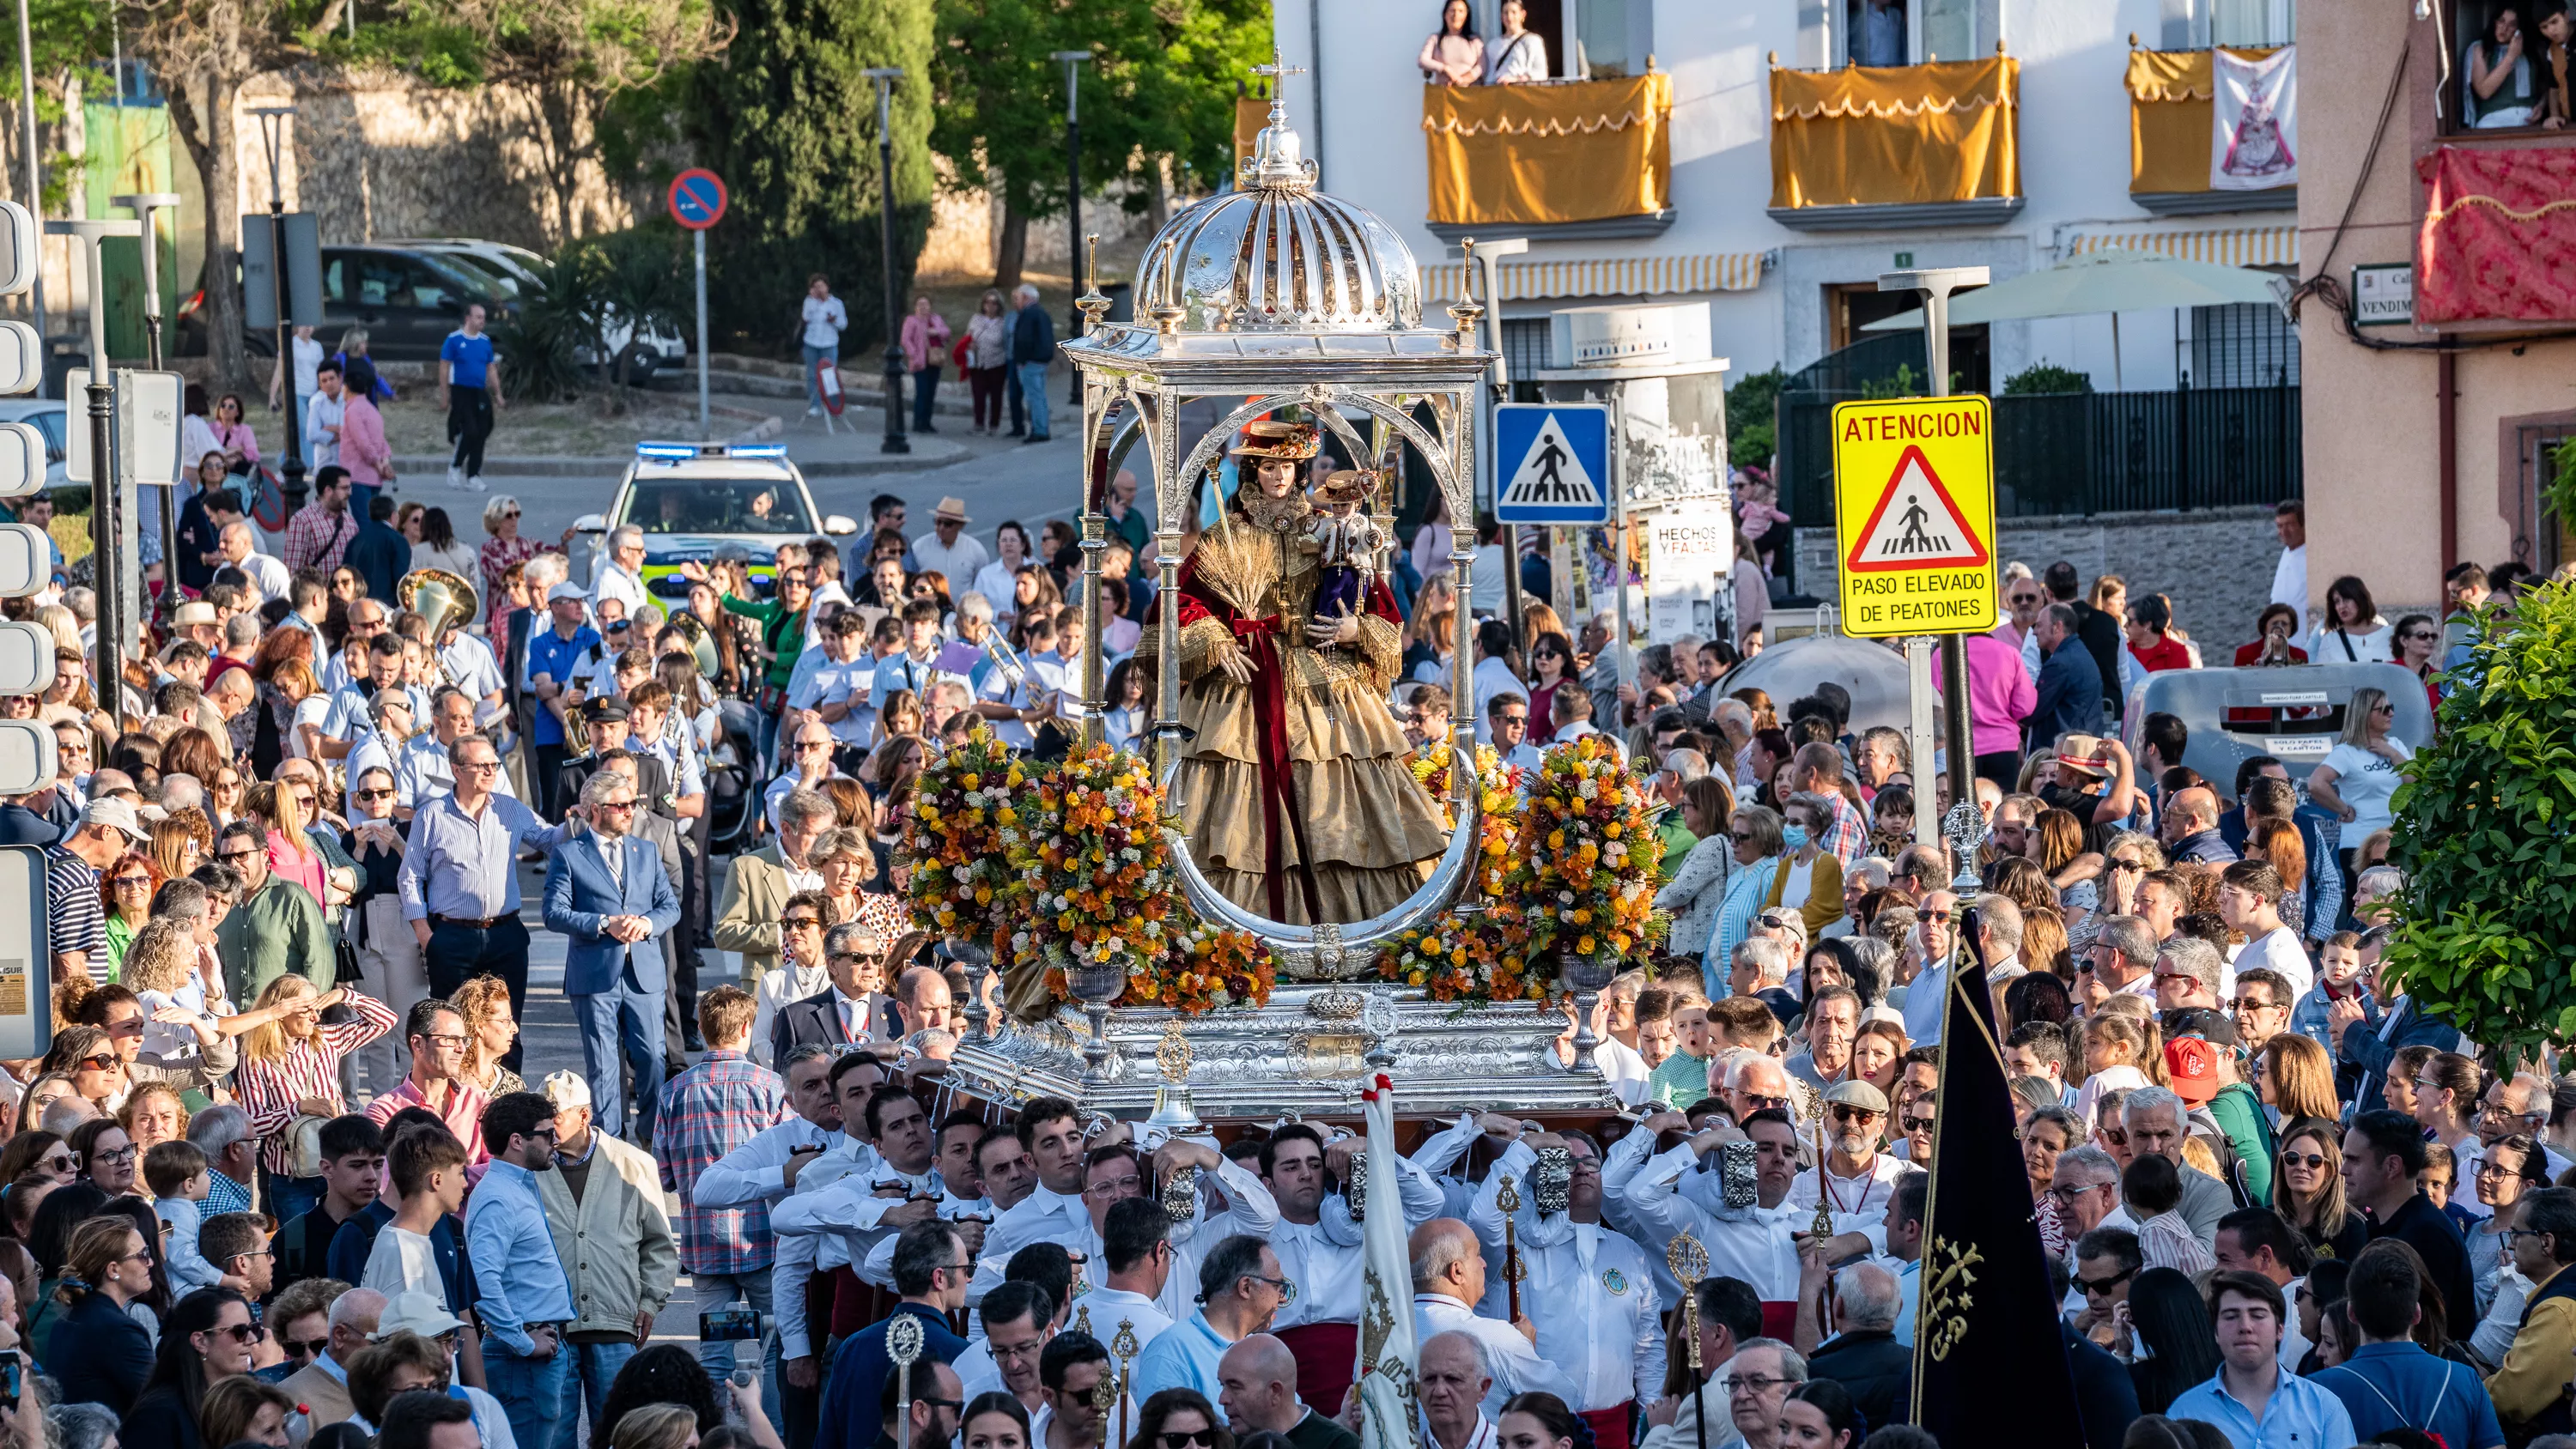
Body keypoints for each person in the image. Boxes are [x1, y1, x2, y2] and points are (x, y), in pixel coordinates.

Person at [1151, 420, 1447, 925]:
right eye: (1268, 466)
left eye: (1287, 466)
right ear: (1253, 469)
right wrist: (1217, 638)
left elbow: (1382, 612)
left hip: (1322, 680)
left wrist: (1355, 631)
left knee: (1339, 797)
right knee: (1231, 807)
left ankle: (1348, 930)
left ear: (1301, 469)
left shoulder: (1329, 527)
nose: (1279, 476)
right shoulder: (1227, 531)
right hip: (1243, 681)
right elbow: (1178, 603)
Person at [399, 732, 571, 1056]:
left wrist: (578, 822)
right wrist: (426, 936)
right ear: (456, 770)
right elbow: (410, 877)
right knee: (453, 1035)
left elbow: (549, 840)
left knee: (505, 1033)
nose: (491, 771)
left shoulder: (509, 809)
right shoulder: (432, 815)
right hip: (452, 938)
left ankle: (508, 1105)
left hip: (505, 935)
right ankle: (459, 1104)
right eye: (481, 766)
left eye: (494, 764)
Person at [532, 1071, 678, 1426]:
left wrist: (649, 1301)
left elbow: (659, 1245)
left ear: (584, 1116)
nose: (548, 1126)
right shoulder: (531, 1167)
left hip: (615, 1323)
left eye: (557, 1116)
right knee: (553, 1435)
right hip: (550, 1330)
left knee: (619, 1433)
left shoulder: (633, 1164)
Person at [542, 770, 679, 1143]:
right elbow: (553, 913)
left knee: (652, 1057)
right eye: (621, 806)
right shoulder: (569, 854)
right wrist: (604, 923)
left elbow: (670, 905)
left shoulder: (646, 851)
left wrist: (648, 924)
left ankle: (652, 1137)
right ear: (594, 810)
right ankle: (611, 1143)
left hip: (644, 973)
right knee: (604, 1065)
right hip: (595, 973)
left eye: (632, 804)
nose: (630, 811)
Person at [464, 1091, 578, 1449]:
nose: (555, 1142)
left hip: (535, 1351)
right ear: (517, 1141)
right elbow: (482, 1280)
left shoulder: (517, 1187)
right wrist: (523, 1341)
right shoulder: (499, 1195)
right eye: (546, 1134)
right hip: (522, 1358)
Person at [118, 1286, 260, 1448]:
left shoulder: (250, 1392)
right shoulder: (158, 1415)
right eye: (240, 1331)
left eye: (253, 1328)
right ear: (200, 1342)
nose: (252, 1339)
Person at [43, 1216, 156, 1414]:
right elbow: (159, 1398)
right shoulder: (117, 1330)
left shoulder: (72, 1317)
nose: (151, 1262)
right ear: (113, 1270)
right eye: (142, 1255)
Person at [439, 301, 502, 492]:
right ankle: (456, 466)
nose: (482, 321)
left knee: (483, 430)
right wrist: (445, 394)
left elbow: (490, 368)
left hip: (478, 391)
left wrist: (498, 393)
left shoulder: (485, 341)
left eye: (484, 317)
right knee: (471, 430)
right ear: (468, 318)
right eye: (478, 317)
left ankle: (473, 475)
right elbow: (444, 366)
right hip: (460, 390)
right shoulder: (454, 340)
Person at [1010, 283, 1054, 443]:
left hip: (1030, 361)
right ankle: (1042, 428)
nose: (1016, 302)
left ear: (1026, 298)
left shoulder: (1028, 314)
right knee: (1040, 396)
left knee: (1034, 397)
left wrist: (1021, 359)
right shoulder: (1042, 313)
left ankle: (1039, 430)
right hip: (1041, 360)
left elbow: (1024, 339)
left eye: (1018, 298)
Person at [901, 296, 951, 435]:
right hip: (920, 362)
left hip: (935, 361)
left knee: (931, 393)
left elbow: (947, 332)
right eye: (920, 304)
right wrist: (914, 355)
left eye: (926, 304)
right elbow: (905, 340)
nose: (923, 307)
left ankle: (928, 422)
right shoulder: (911, 321)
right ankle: (918, 422)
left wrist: (937, 331)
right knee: (922, 393)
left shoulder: (936, 319)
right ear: (915, 307)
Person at [801, 276, 848, 418]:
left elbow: (843, 324)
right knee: (812, 375)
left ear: (827, 287)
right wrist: (814, 302)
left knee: (829, 376)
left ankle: (833, 407)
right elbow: (805, 317)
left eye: (821, 286)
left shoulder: (836, 304)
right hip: (811, 342)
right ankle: (815, 406)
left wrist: (834, 321)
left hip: (829, 343)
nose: (819, 289)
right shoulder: (809, 302)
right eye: (816, 287)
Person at [1419, 0, 1485, 84]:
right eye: (1452, 10)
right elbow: (1423, 60)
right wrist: (1445, 69)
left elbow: (1482, 66)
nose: (1456, 15)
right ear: (1445, 14)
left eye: (1461, 11)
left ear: (1467, 16)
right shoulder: (1435, 39)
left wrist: (1462, 80)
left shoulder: (1475, 40)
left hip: (1470, 93)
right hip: (1444, 93)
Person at [1486, 0, 1547, 81]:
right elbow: (1490, 76)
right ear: (1501, 16)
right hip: (1499, 91)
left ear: (1523, 14)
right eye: (1506, 13)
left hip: (1523, 91)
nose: (1509, 17)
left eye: (1514, 12)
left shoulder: (1533, 40)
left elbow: (1540, 73)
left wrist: (1516, 79)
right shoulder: (1493, 44)